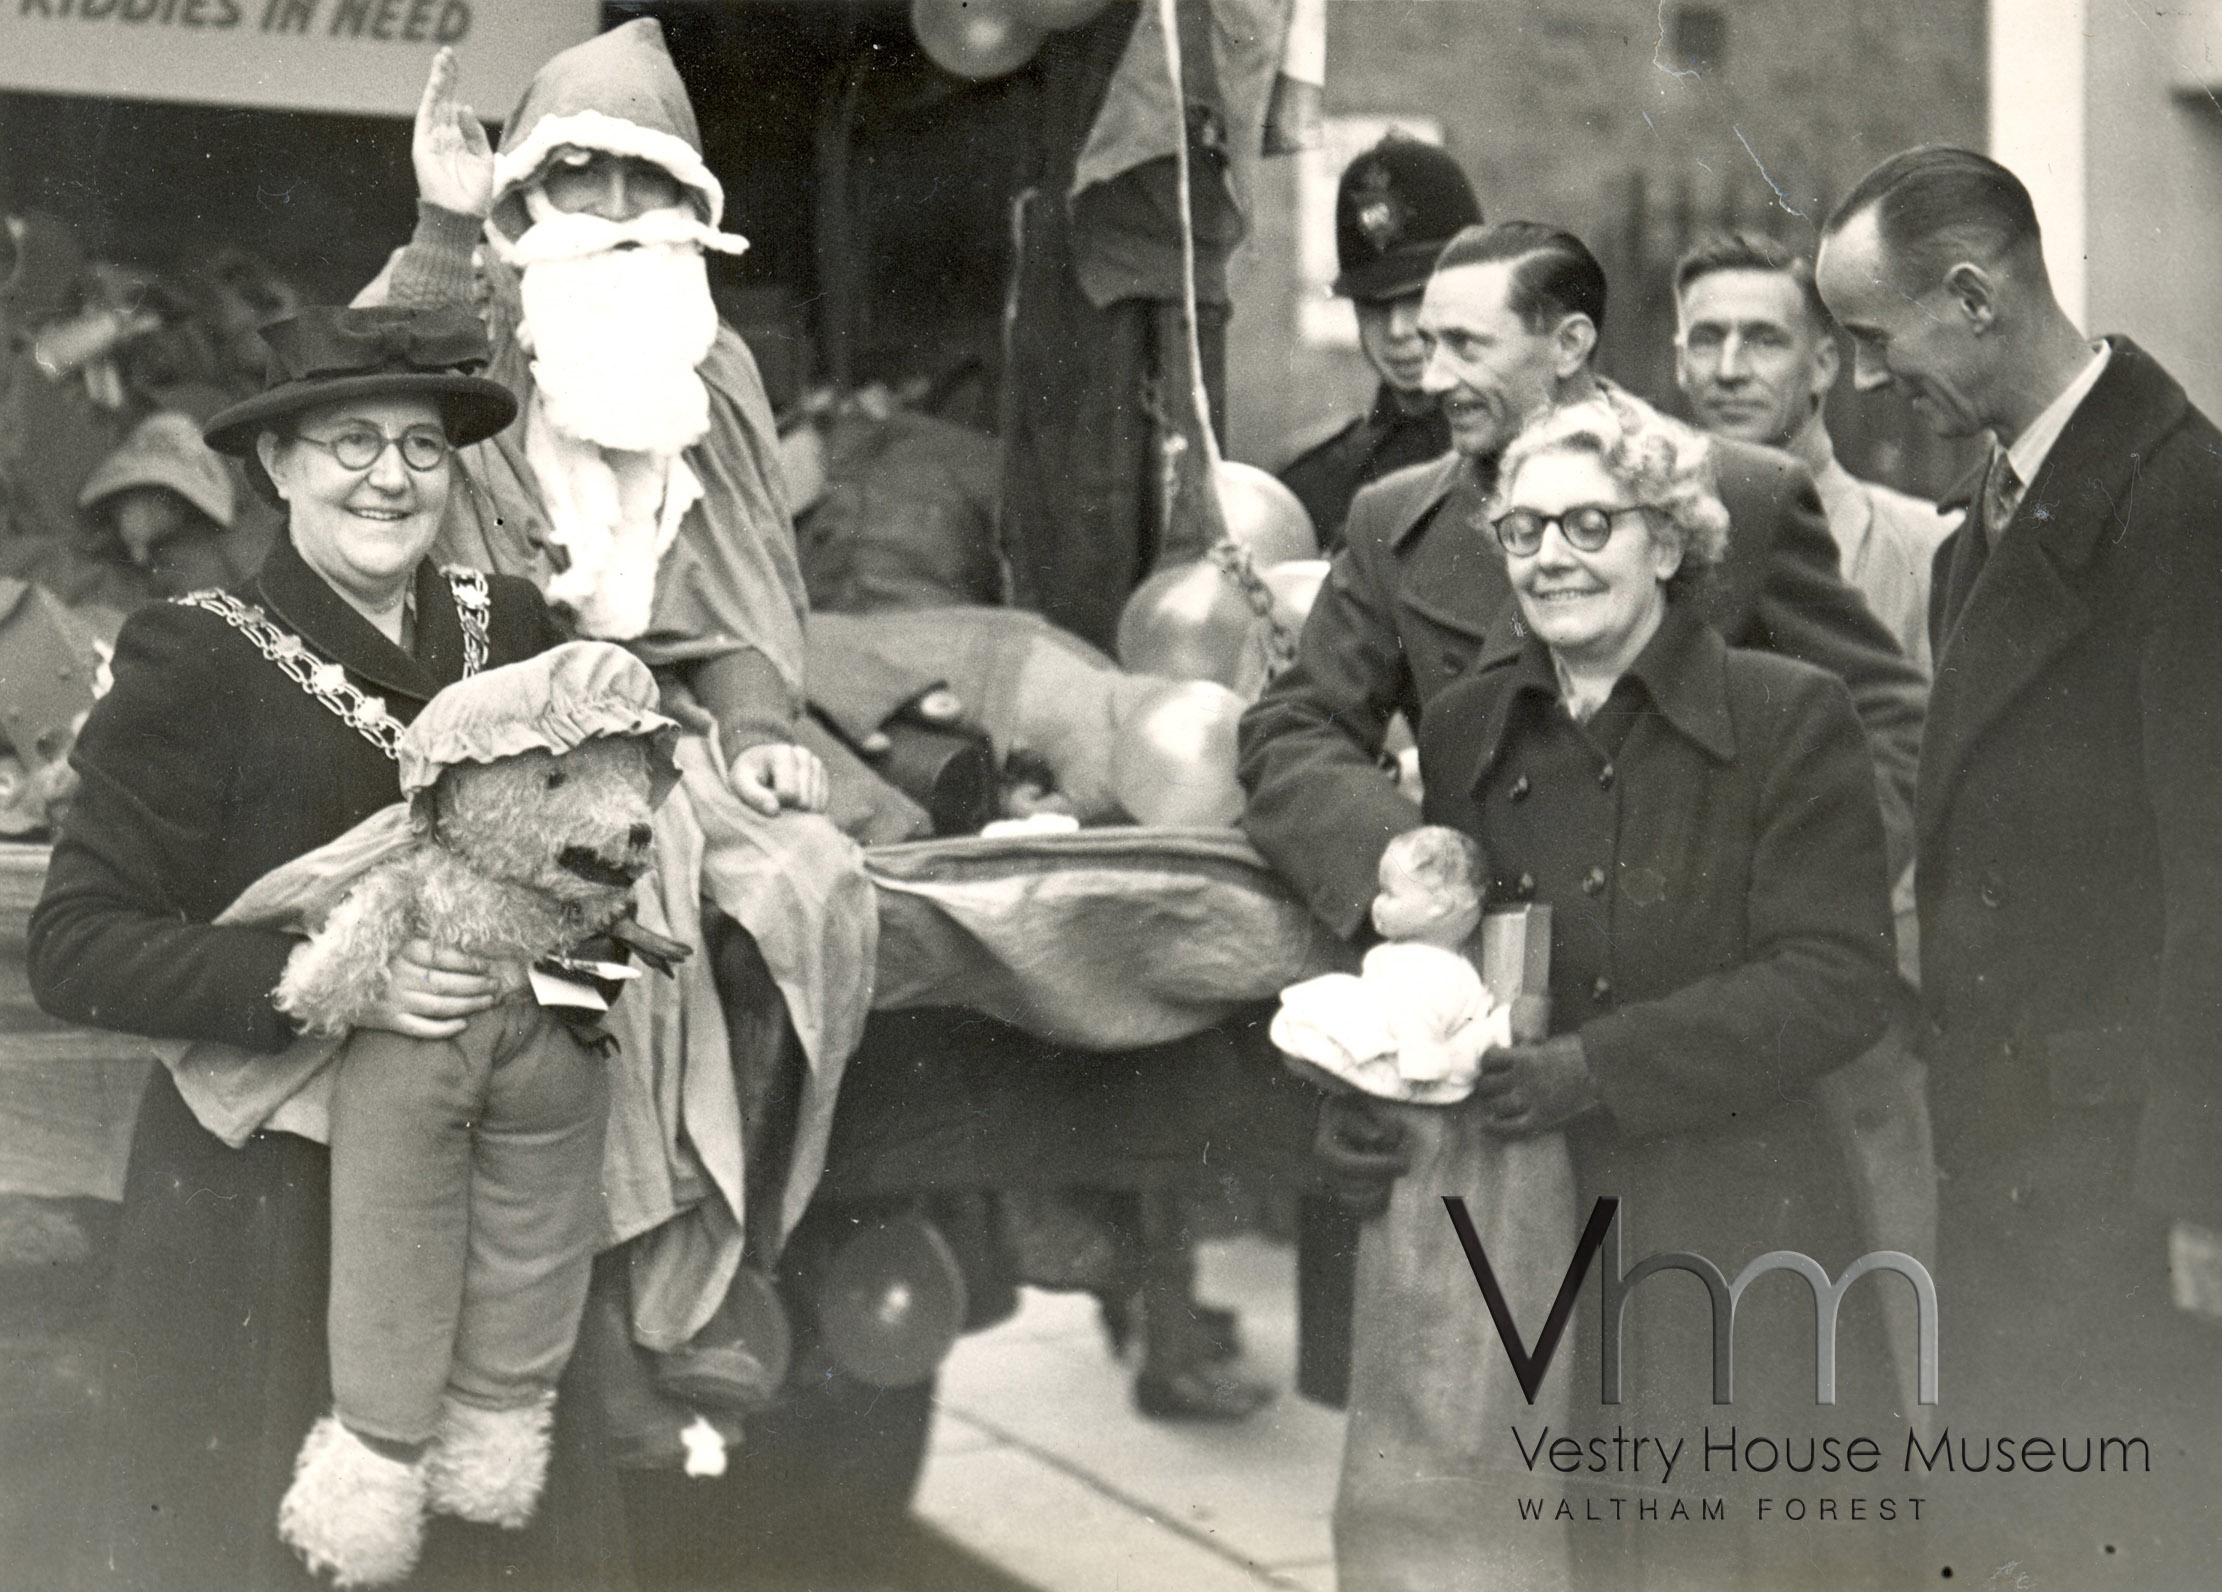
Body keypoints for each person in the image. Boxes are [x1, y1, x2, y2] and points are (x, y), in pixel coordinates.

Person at [27, 303, 633, 1590]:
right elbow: (77, 946)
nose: (389, 475)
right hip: (267, 1210)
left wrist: (546, 988)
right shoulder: (197, 651)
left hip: (482, 1190)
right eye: (348, 440)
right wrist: (337, 991)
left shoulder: (518, 629)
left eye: (420, 446)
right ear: (278, 467)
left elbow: (606, 901)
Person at [373, 26, 881, 1451]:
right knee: (609, 895)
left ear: (678, 199)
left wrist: (769, 724)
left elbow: (740, 602)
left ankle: (711, 1268)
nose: (600, 207)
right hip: (476, 718)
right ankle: (599, 1315)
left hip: (669, 723)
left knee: (810, 891)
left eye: (629, 177)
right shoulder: (471, 331)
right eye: (570, 173)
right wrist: (437, 220)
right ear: (529, 197)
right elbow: (382, 390)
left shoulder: (709, 377)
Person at [1361, 392, 1905, 1591]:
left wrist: (1597, 1068)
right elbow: (1444, 964)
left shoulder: (1785, 713)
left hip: (1738, 1233)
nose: (1551, 555)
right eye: (1522, 530)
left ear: (1666, 542)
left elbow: (1838, 978)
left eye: (1589, 523)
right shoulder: (1463, 730)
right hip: (1539, 1234)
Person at [1816, 145, 2222, 1584]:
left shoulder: (2183, 510)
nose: (1862, 383)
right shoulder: (1982, 525)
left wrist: (2202, 1195)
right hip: (2009, 1160)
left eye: (1874, 341)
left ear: (1973, 298)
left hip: (2125, 1186)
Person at [1673, 230, 1955, 674]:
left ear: (1822, 366)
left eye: (1764, 340)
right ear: (1679, 364)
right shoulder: (1647, 543)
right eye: (1707, 340)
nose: (1729, 371)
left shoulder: (1933, 549)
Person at [1277, 135, 1482, 551]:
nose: (1397, 329)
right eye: (1373, 304)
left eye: (1419, 297)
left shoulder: (1537, 463)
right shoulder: (1315, 487)